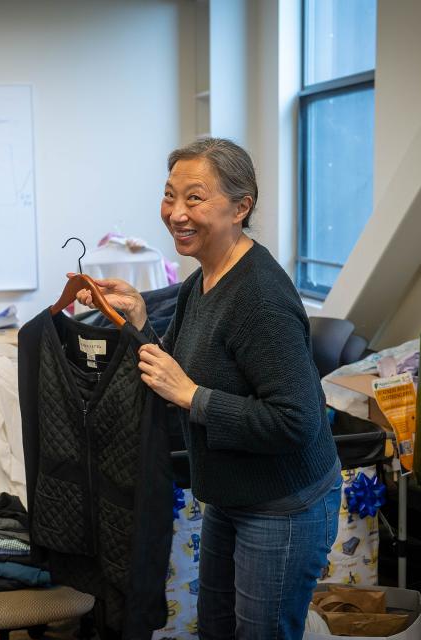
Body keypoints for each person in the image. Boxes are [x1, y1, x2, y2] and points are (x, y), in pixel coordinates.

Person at [75, 138, 341, 639]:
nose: (176, 213)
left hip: (283, 504)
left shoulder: (259, 297)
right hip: (230, 494)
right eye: (169, 195)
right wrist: (136, 318)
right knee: (216, 627)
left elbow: (297, 422)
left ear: (242, 207)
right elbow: (172, 366)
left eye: (194, 197)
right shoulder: (205, 277)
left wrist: (193, 397)